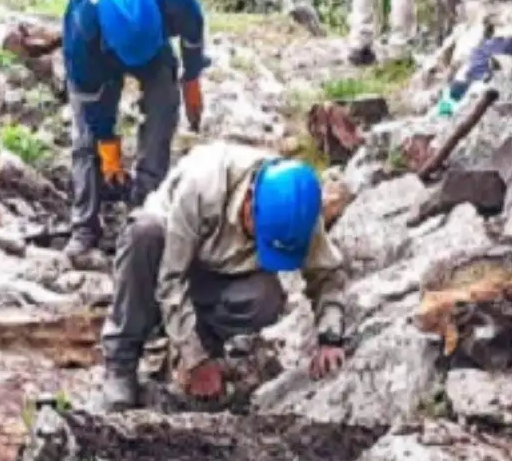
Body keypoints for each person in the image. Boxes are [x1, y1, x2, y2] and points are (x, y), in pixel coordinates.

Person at [100, 143, 348, 410]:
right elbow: (170, 280)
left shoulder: (297, 210)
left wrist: (330, 337)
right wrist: (195, 359)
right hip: (165, 255)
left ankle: (205, 344)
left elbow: (326, 274)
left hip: (220, 275)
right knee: (143, 235)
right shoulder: (202, 186)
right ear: (250, 198)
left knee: (265, 297)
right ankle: (121, 364)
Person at [61, 0, 209, 258]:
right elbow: (91, 101)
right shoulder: (82, 32)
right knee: (85, 136)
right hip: (99, 55)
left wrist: (191, 79)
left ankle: (146, 206)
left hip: (154, 48)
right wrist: (109, 152)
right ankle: (85, 227)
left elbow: (193, 34)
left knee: (164, 104)